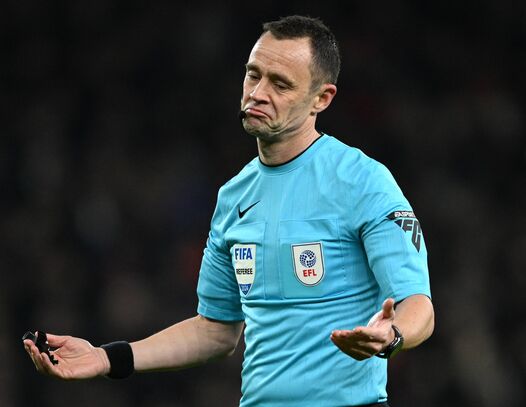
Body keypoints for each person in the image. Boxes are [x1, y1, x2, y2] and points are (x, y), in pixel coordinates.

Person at [24, 15, 434, 407]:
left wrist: (393, 334)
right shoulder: (234, 196)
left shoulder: (362, 181)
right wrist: (106, 358)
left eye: (280, 84)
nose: (258, 92)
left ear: (321, 99)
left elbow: (419, 305)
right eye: (254, 75)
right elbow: (216, 331)